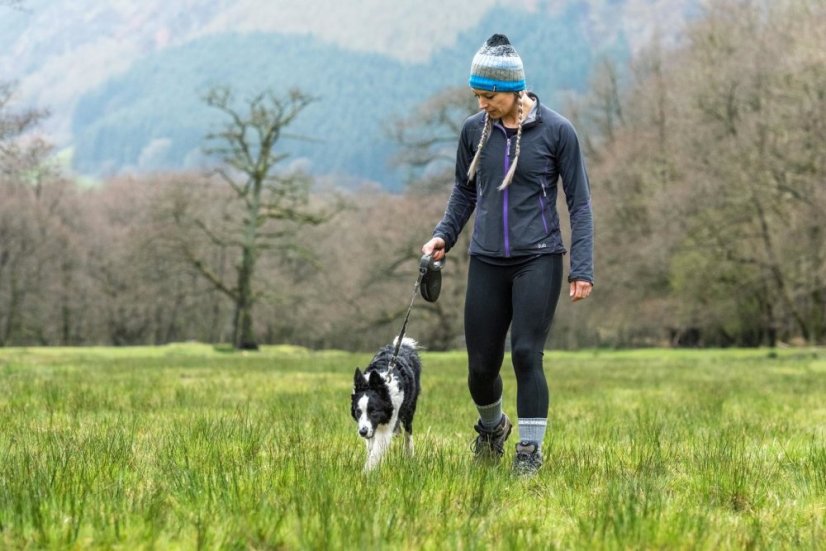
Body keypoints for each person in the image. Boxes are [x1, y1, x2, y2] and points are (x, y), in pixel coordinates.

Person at [421, 33, 594, 475]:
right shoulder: (472, 131)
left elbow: (579, 203)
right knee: (480, 366)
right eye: (477, 95)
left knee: (525, 354)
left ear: (515, 90)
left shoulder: (557, 132)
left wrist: (582, 267)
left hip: (539, 257)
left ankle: (529, 451)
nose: (482, 104)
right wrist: (445, 234)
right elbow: (464, 191)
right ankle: (494, 428)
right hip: (486, 259)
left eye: (489, 95)